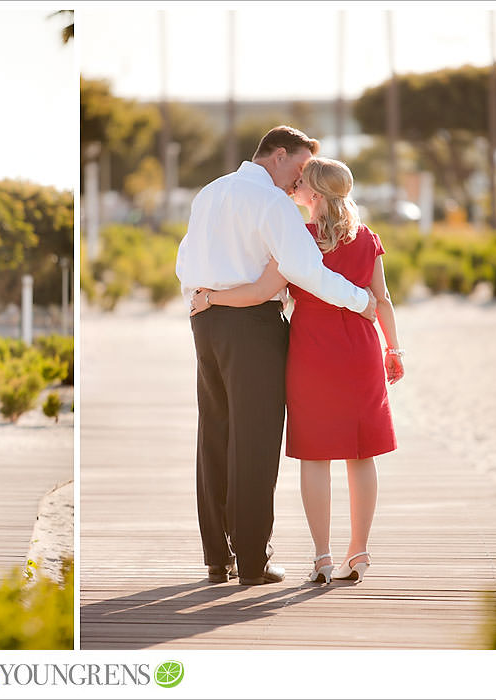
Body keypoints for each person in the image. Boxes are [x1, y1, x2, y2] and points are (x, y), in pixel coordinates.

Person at [175, 125, 377, 586]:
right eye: (301, 168)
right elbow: (307, 270)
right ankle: (251, 560)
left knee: (215, 433)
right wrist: (362, 302)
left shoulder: (209, 192)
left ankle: (217, 558)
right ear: (279, 155)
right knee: (256, 441)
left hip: (205, 319)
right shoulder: (271, 202)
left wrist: (204, 298)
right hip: (253, 327)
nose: (300, 182)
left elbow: (184, 262)